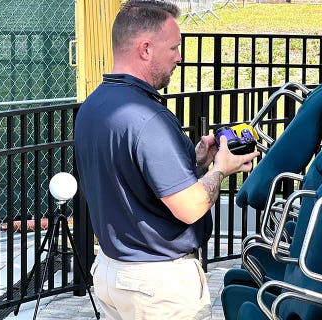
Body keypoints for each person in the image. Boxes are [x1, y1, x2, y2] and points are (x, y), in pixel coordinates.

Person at [73, 1, 260, 319]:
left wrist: (198, 161)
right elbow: (189, 207)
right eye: (174, 47)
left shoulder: (94, 106)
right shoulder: (148, 118)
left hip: (111, 273)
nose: (180, 57)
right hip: (156, 287)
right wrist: (221, 169)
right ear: (145, 48)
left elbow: (132, 178)